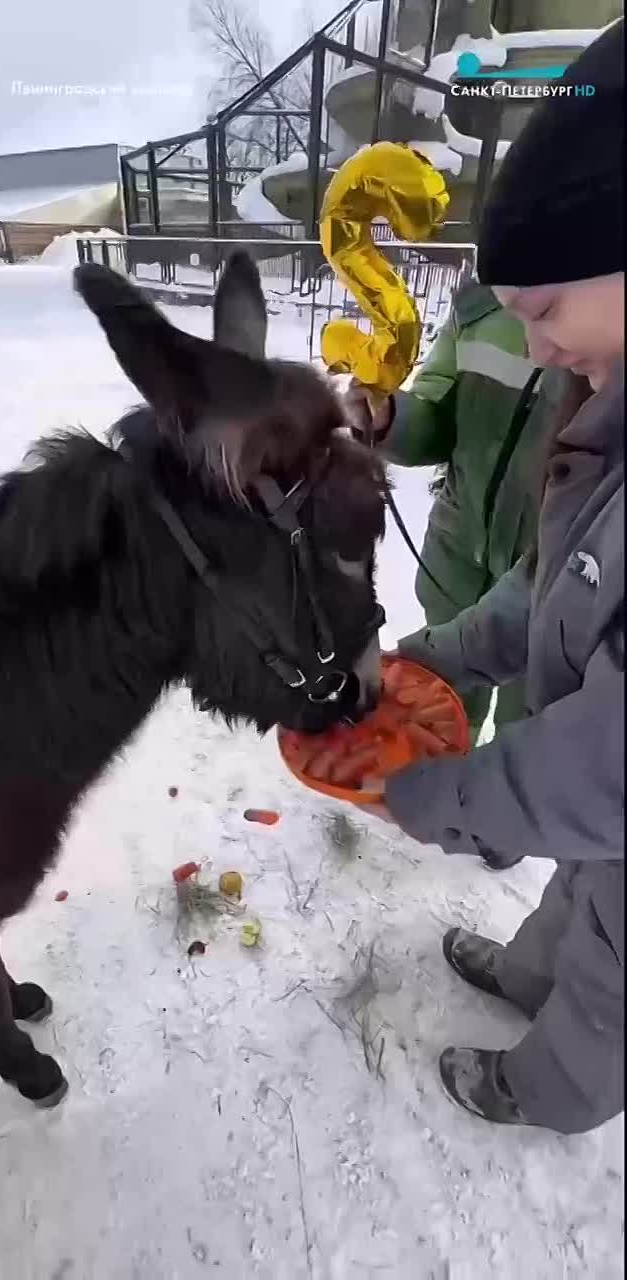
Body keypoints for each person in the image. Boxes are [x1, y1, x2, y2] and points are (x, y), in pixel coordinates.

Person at [359, 18, 624, 1135]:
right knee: (583, 891)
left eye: (546, 307)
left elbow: (605, 761)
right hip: (598, 813)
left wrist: (442, 796)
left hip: (601, 779)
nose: (534, 338)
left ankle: (543, 1090)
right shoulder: (608, 401)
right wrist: (440, 649)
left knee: (616, 970)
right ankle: (525, 981)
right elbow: (563, 581)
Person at [345, 282, 572, 872]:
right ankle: (441, 779)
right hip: (457, 550)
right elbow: (435, 421)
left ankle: (503, 823)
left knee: (531, 707)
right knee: (445, 686)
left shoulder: (597, 323)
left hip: (552, 569)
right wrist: (391, 417)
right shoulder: (481, 307)